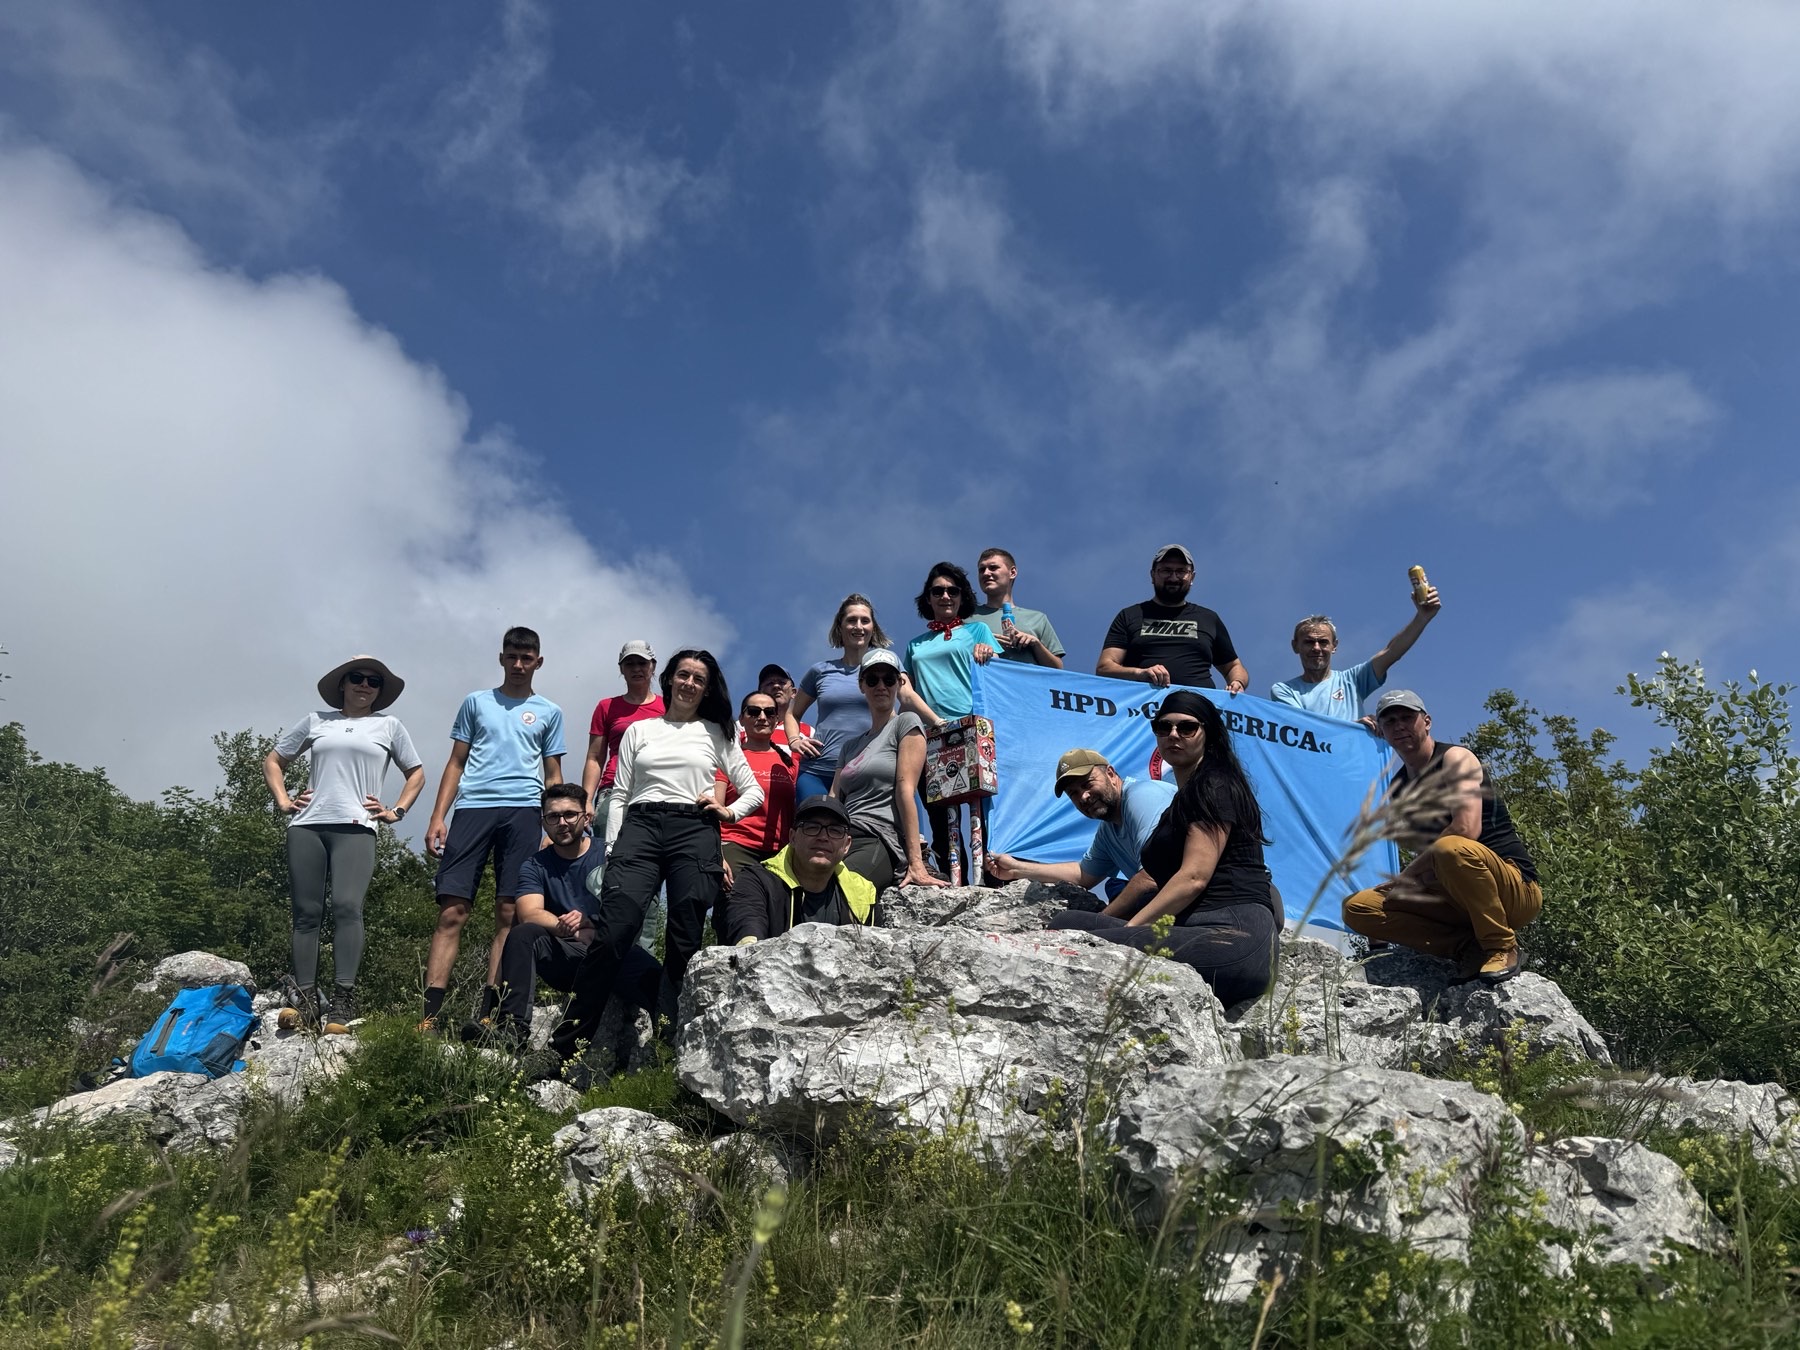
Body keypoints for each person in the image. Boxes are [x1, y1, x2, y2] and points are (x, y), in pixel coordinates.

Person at [551, 650, 761, 1059]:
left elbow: (753, 790)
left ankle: (671, 1042)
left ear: (707, 689)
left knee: (685, 933)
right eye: (683, 675)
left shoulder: (717, 732)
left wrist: (728, 812)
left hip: (694, 827)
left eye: (699, 679)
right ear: (669, 679)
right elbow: (621, 795)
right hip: (641, 827)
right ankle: (565, 1045)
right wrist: (612, 849)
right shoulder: (640, 730)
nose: (689, 684)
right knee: (615, 930)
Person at [1048, 691, 1281, 1005]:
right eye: (1163, 727)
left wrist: (1128, 933)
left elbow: (1193, 878)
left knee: (1077, 944)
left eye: (1186, 727)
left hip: (1234, 936)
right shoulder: (1179, 803)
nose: (1173, 734)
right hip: (1193, 925)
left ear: (1208, 733)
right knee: (1067, 924)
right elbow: (1090, 874)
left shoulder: (1214, 784)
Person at [263, 655, 426, 1034]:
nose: (365, 685)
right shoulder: (316, 721)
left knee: (347, 907)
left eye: (374, 681)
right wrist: (283, 800)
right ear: (343, 683)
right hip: (307, 825)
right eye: (357, 678)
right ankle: (305, 1001)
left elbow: (416, 773)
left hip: (356, 826)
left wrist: (397, 810)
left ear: (380, 691)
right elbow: (274, 761)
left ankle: (342, 1001)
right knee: (306, 913)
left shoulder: (389, 726)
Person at [421, 627, 566, 1034]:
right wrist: (437, 816)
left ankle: (491, 1013)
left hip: (525, 809)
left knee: (510, 912)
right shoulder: (477, 702)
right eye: (512, 657)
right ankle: (428, 1016)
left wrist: (552, 824)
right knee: (453, 909)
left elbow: (553, 773)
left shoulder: (549, 711)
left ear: (538, 662)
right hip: (473, 807)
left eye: (527, 658)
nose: (519, 665)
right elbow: (456, 762)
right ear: (501, 658)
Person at [1341, 690, 1540, 982]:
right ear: (1381, 730)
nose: (1399, 726)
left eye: (1407, 717)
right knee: (1358, 908)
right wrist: (1350, 735)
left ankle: (1501, 946)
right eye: (1390, 721)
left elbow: (1466, 829)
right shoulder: (1399, 789)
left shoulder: (1456, 758)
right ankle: (1467, 948)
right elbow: (1429, 859)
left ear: (1427, 722)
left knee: (1451, 847)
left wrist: (1408, 875)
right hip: (1456, 895)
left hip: (1513, 888)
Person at [490, 783, 659, 1050]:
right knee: (522, 934)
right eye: (553, 817)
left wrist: (593, 924)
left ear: (586, 817)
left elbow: (634, 908)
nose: (562, 823)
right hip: (567, 956)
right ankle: (512, 1028)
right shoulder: (535, 865)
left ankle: (667, 1052)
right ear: (544, 823)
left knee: (663, 988)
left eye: (570, 814)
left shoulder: (610, 854)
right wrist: (571, 928)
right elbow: (529, 912)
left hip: (613, 951)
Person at [987, 749, 1174, 915]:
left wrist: (1102, 921)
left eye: (1087, 784)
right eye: (1073, 793)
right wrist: (1016, 869)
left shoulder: (1142, 796)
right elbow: (1083, 874)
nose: (1083, 797)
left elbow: (1151, 876)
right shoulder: (1108, 830)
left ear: (1110, 774)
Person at [903, 562, 998, 878]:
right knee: (940, 815)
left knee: (982, 812)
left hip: (973, 728)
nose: (945, 596)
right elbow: (906, 691)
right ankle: (949, 880)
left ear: (962, 596)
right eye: (938, 591)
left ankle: (991, 881)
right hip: (932, 734)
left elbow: (999, 675)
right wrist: (935, 720)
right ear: (928, 598)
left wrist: (989, 651)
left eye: (952, 590)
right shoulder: (915, 645)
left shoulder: (978, 631)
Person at [786, 594, 921, 804]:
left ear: (873, 628)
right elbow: (792, 713)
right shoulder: (820, 671)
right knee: (814, 824)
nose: (858, 626)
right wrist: (795, 740)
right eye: (851, 620)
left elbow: (908, 697)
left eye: (865, 620)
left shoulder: (888, 665)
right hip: (818, 770)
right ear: (840, 627)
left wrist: (939, 723)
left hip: (869, 771)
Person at [833, 649, 941, 890]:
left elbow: (905, 790)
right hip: (842, 835)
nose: (881, 686)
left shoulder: (906, 722)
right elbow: (834, 798)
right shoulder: (850, 746)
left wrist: (915, 862)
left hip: (878, 836)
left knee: (840, 887)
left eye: (889, 679)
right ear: (861, 685)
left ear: (899, 684)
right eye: (872, 680)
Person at [1270, 582, 1442, 724]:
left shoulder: (1352, 681)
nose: (1316, 648)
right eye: (1309, 642)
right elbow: (1302, 728)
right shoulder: (1284, 690)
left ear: (1334, 646)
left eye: (1323, 642)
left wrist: (1422, 617)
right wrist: (1353, 728)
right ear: (1295, 646)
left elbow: (1391, 652)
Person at [722, 796, 886, 943]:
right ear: (792, 837)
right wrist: (748, 941)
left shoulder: (864, 894)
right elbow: (748, 932)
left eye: (835, 830)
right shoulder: (757, 882)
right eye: (812, 827)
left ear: (847, 845)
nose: (823, 837)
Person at [1098, 545, 1248, 692]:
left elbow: (1233, 667)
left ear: (1192, 577)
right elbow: (1105, 667)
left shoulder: (1209, 618)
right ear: (1153, 575)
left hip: (1200, 705)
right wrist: (1140, 673)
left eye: (1181, 571)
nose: (1174, 577)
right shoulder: (1129, 615)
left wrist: (1237, 682)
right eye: (1166, 570)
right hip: (1144, 705)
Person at [582, 641, 664, 842]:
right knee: (609, 851)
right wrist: (586, 800)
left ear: (653, 666)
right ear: (621, 669)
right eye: (630, 664)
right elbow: (595, 757)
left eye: (642, 663)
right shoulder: (607, 706)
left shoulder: (667, 706)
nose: (636, 669)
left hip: (656, 789)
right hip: (613, 787)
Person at [717, 689, 797, 881]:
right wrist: (717, 854)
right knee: (737, 899)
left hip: (780, 853)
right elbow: (715, 809)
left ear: (777, 720)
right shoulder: (728, 759)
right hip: (736, 846)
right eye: (754, 712)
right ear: (742, 719)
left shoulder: (790, 763)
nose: (762, 717)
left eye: (769, 712)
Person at [973, 548, 1065, 669]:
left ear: (1012, 572)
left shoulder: (1037, 619)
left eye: (993, 568)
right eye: (981, 570)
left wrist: (1035, 644)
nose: (986, 573)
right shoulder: (967, 617)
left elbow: (1058, 669)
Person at [756, 664, 812, 751]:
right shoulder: (744, 726)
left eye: (782, 682)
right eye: (770, 683)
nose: (776, 686)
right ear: (760, 693)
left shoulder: (809, 731)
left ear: (793, 693)